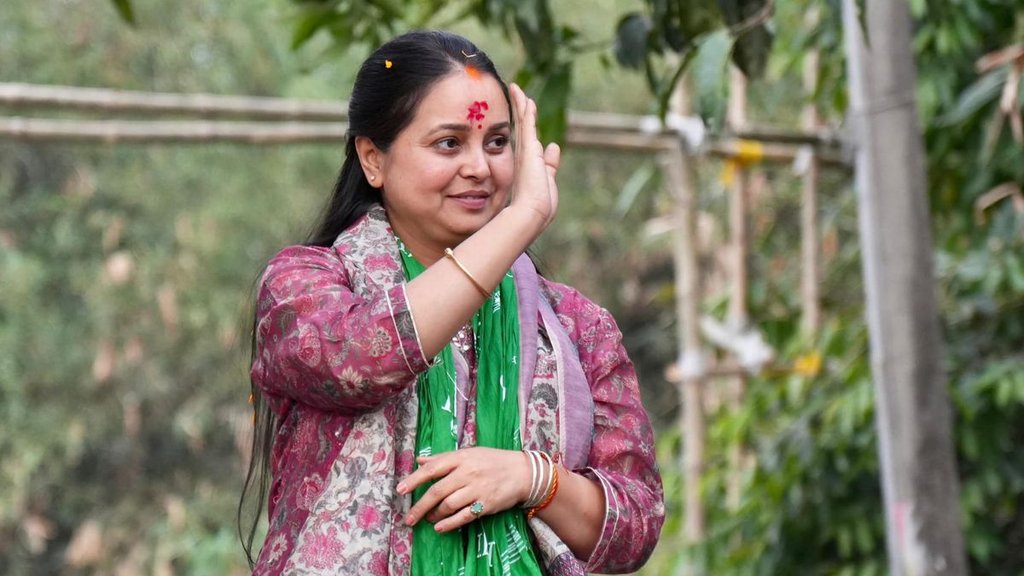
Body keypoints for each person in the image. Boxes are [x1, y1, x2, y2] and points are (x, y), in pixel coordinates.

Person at [238, 30, 664, 575]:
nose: (480, 169)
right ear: (373, 159)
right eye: (449, 143)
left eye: (496, 142)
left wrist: (533, 478)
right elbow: (364, 358)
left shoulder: (578, 326)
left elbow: (636, 526)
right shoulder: (305, 286)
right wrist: (520, 221)